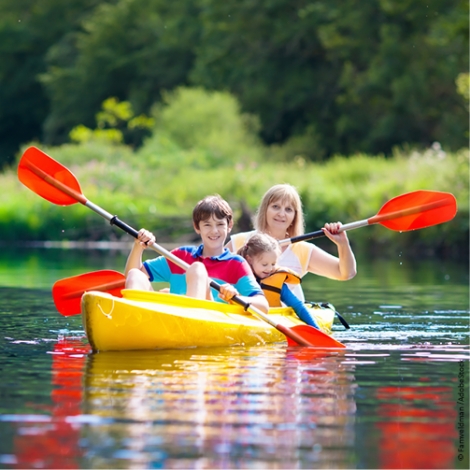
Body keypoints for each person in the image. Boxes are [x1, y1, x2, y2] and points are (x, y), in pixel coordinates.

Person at [125, 194, 269, 313]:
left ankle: (188, 319)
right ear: (197, 227)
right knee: (135, 274)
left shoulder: (237, 264)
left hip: (206, 321)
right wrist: (138, 246)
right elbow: (131, 276)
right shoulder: (181, 255)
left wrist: (236, 297)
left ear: (229, 226)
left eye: (220, 224)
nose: (214, 231)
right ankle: (134, 320)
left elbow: (263, 305)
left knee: (197, 269)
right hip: (170, 320)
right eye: (207, 225)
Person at [226, 184, 357, 300]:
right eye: (275, 207)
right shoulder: (240, 242)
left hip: (287, 317)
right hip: (244, 311)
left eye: (288, 209)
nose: (281, 214)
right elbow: (210, 267)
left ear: (295, 216)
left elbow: (346, 273)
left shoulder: (303, 250)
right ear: (265, 210)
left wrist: (343, 244)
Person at [238, 233, 320, 329]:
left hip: (268, 323)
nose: (269, 269)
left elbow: (297, 305)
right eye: (264, 264)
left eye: (273, 264)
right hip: (240, 318)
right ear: (249, 259)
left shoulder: (277, 282)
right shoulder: (238, 276)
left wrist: (316, 328)